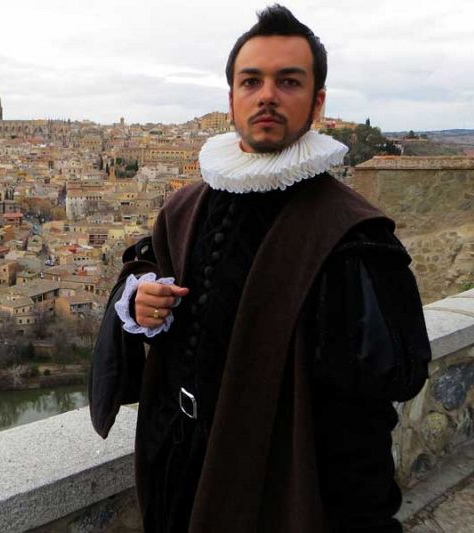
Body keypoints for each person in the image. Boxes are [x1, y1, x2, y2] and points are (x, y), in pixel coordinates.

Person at [89, 5, 431, 532]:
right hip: (179, 467)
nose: (267, 95)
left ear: (316, 103)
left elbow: (374, 399)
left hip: (283, 487)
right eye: (252, 81)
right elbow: (143, 273)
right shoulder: (185, 208)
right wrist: (139, 302)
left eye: (288, 81)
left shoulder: (354, 234)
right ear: (231, 99)